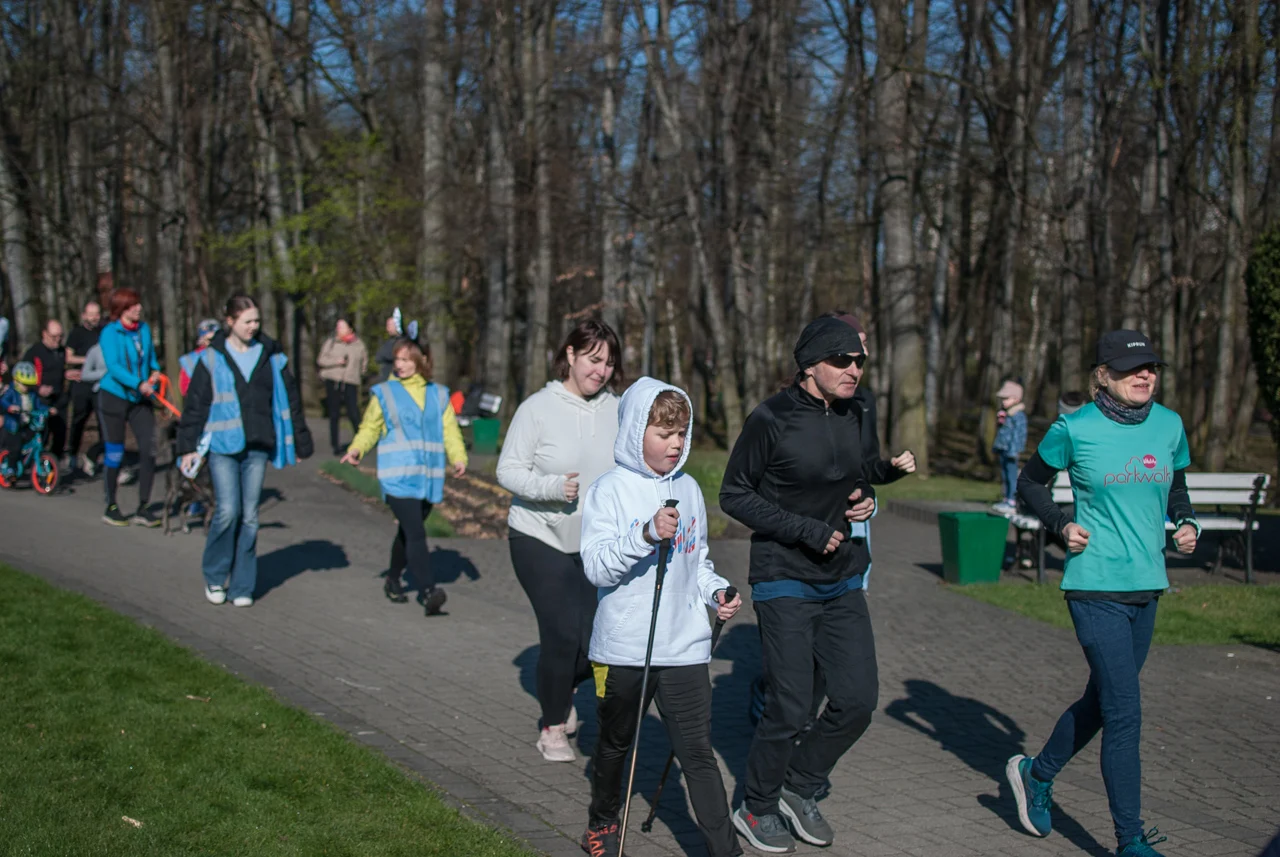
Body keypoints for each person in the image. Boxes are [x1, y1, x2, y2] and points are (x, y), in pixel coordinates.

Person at [1009, 330, 1198, 857]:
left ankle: (1035, 772)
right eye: (1131, 368)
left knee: (1102, 701)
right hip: (1094, 587)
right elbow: (1029, 483)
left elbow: (1176, 485)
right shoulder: (1075, 427)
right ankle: (1130, 840)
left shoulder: (1169, 425)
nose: (1145, 376)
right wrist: (1060, 525)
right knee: (1125, 711)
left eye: (1151, 368)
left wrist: (1186, 522)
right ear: (1103, 375)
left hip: (1148, 586)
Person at [720, 316, 877, 853]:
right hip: (783, 575)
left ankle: (800, 785)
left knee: (857, 700)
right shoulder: (771, 418)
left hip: (842, 578)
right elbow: (735, 494)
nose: (853, 369)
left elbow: (856, 477)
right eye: (841, 360)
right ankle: (756, 805)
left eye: (858, 360)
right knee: (789, 705)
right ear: (809, 365)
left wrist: (865, 499)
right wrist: (805, 530)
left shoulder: (857, 413)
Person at [580, 377, 742, 857]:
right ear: (635, 431)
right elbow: (595, 567)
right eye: (663, 433)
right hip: (623, 646)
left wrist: (717, 594)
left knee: (698, 754)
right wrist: (645, 535)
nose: (675, 444)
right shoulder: (608, 490)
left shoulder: (689, 490)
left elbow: (698, 563)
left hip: (683, 645)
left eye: (681, 434)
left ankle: (725, 849)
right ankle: (603, 824)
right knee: (615, 745)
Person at [496, 319, 623, 763]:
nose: (601, 371)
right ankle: (552, 726)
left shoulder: (619, 409)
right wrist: (551, 487)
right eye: (593, 359)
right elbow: (507, 470)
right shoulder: (537, 408)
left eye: (608, 363)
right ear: (569, 355)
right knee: (563, 633)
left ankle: (560, 686)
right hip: (538, 535)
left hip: (594, 544)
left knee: (597, 640)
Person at [178, 295, 313, 608]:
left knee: (250, 517)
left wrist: (302, 439)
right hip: (223, 446)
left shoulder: (271, 355)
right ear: (230, 322)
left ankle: (242, 585)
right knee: (228, 511)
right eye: (247, 321)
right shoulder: (212, 357)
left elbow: (290, 398)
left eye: (256, 321)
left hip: (258, 445)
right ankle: (214, 576)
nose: (253, 327)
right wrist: (186, 446)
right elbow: (195, 405)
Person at [341, 334, 466, 615]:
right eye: (397, 359)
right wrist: (357, 449)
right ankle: (428, 591)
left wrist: (458, 457)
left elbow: (449, 431)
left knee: (407, 533)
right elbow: (370, 427)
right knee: (417, 533)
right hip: (397, 477)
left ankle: (393, 578)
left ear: (419, 362)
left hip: (428, 478)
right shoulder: (384, 393)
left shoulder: (438, 394)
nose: (400, 364)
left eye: (406, 360)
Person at [98, 288, 164, 527]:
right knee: (115, 452)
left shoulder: (143, 329)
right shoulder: (109, 333)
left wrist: (155, 372)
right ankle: (111, 505)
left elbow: (150, 359)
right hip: (114, 397)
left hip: (140, 399)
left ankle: (144, 507)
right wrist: (138, 383)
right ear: (121, 309)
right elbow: (114, 367)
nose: (138, 309)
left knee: (150, 448)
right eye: (132, 306)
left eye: (138, 305)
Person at [317, 319, 369, 456]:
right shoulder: (331, 343)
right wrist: (336, 362)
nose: (338, 330)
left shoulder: (359, 345)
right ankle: (335, 445)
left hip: (350, 382)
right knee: (334, 414)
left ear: (350, 329)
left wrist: (359, 373)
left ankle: (361, 442)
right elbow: (321, 360)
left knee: (353, 412)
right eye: (337, 327)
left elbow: (364, 363)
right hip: (333, 380)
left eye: (341, 327)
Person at [21, 319, 69, 468]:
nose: (57, 340)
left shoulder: (61, 351)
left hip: (58, 398)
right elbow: (22, 375)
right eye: (54, 336)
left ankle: (52, 463)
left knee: (60, 433)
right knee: (41, 434)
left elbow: (61, 371)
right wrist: (38, 388)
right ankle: (31, 462)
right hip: (40, 399)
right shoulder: (34, 352)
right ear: (44, 334)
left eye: (60, 336)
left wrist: (69, 373)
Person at [65, 301, 103, 475]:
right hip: (81, 383)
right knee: (79, 420)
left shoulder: (103, 332)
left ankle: (98, 457)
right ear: (84, 315)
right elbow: (69, 357)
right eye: (91, 314)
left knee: (104, 422)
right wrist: (88, 361)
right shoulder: (76, 333)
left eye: (97, 314)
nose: (94, 317)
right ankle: (72, 454)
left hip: (100, 384)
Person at [0, 361, 47, 474]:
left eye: (29, 385)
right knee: (15, 446)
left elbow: (38, 405)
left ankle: (31, 461)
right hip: (14, 425)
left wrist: (48, 409)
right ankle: (10, 467)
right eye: (24, 385)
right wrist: (10, 407)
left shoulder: (32, 394)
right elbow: (3, 401)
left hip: (27, 423)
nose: (27, 388)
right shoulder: (11, 391)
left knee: (36, 436)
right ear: (16, 381)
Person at [992, 378, 1028, 515]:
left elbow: (1019, 435)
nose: (1003, 402)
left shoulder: (1018, 416)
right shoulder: (1006, 414)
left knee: (1011, 475)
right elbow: (1003, 433)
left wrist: (1014, 450)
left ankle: (1012, 500)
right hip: (1003, 449)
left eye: (1006, 399)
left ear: (1016, 399)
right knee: (1004, 474)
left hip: (1011, 451)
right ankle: (1006, 497)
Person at [179, 318, 222, 396]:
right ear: (201, 339)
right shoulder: (190, 359)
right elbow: (185, 389)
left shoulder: (226, 354)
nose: (214, 342)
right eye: (210, 339)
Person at [374, 310, 402, 383]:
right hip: (385, 377)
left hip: (395, 378)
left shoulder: (402, 342)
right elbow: (378, 357)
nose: (388, 328)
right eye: (387, 325)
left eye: (390, 325)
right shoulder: (388, 342)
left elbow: (389, 355)